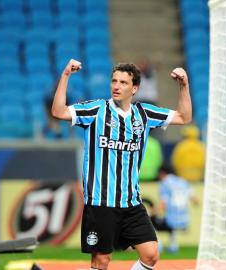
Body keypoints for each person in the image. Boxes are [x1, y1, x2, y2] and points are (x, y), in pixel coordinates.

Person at [51, 59, 192, 270]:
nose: (116, 86)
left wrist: (184, 86)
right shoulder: (96, 110)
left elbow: (184, 117)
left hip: (131, 203)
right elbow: (58, 112)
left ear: (134, 88)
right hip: (101, 202)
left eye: (123, 82)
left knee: (151, 254)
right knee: (101, 261)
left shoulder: (144, 114)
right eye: (114, 81)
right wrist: (65, 76)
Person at [151, 164, 199, 253]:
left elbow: (163, 204)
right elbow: (196, 201)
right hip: (185, 220)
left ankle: (159, 246)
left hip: (171, 220)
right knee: (169, 219)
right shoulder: (183, 181)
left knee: (150, 221)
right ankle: (173, 245)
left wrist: (151, 213)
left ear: (162, 173)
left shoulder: (165, 183)